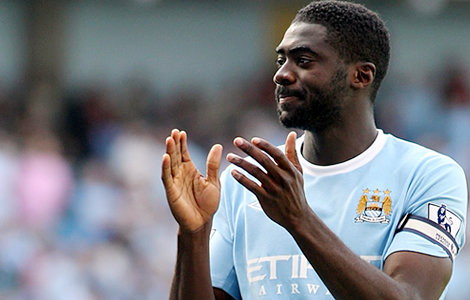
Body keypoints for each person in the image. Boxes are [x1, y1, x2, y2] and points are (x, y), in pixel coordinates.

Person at [161, 1, 468, 299]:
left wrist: (299, 219)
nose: (281, 74)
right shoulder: (246, 184)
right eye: (282, 60)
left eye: (303, 61)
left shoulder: (429, 175)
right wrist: (194, 235)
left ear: (361, 76)